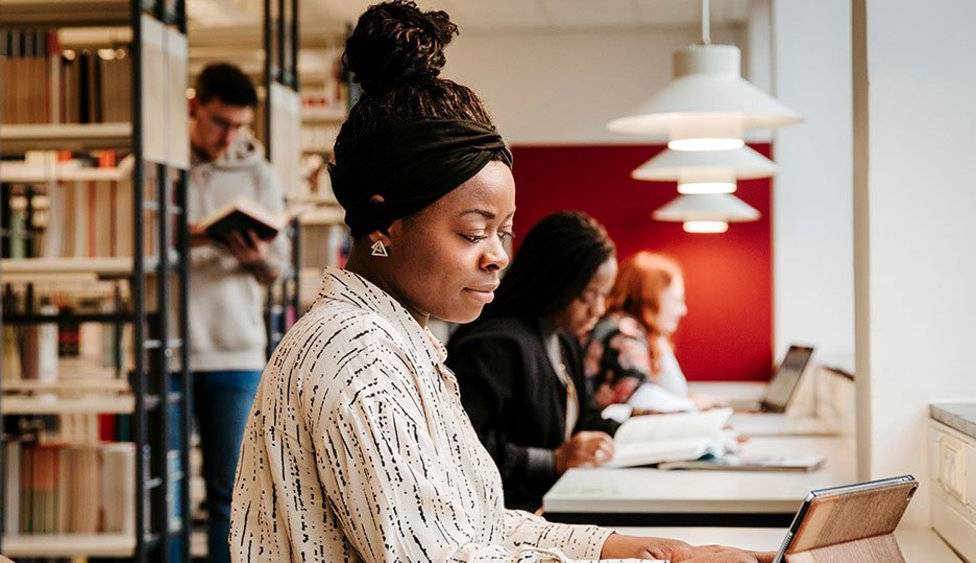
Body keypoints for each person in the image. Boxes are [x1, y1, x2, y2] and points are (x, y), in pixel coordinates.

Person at [229, 2, 770, 562]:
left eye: (504, 232)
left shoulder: (401, 346)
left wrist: (654, 549)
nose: (498, 257)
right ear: (384, 222)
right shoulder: (359, 355)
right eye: (473, 233)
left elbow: (479, 526)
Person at [175, 62, 289, 563]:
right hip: (166, 351)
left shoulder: (259, 173)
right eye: (220, 122)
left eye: (239, 126)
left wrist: (255, 257)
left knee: (232, 493)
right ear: (195, 106)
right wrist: (189, 237)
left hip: (237, 354)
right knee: (164, 495)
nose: (228, 137)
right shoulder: (154, 164)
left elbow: (277, 268)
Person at [446, 211, 622, 512]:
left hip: (553, 504)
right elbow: (462, 448)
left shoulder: (563, 339)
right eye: (587, 297)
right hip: (506, 514)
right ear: (555, 283)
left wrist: (645, 429)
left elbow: (583, 419)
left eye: (603, 296)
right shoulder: (494, 345)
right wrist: (553, 460)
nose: (598, 310)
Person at [584, 251, 696, 419]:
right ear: (651, 299)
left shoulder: (622, 329)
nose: (683, 310)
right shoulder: (626, 338)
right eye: (676, 300)